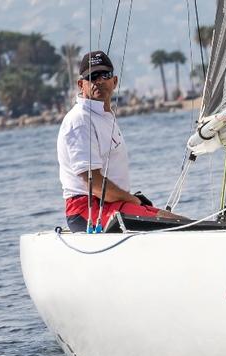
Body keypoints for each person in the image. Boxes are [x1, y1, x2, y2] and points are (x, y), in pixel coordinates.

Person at [57, 50, 183, 232]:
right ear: (80, 85)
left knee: (171, 219)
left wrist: (132, 200)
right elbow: (95, 184)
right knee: (169, 224)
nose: (99, 81)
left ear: (114, 81)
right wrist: (132, 200)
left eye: (105, 75)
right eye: (92, 76)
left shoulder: (104, 115)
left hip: (112, 203)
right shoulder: (80, 120)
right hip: (87, 210)